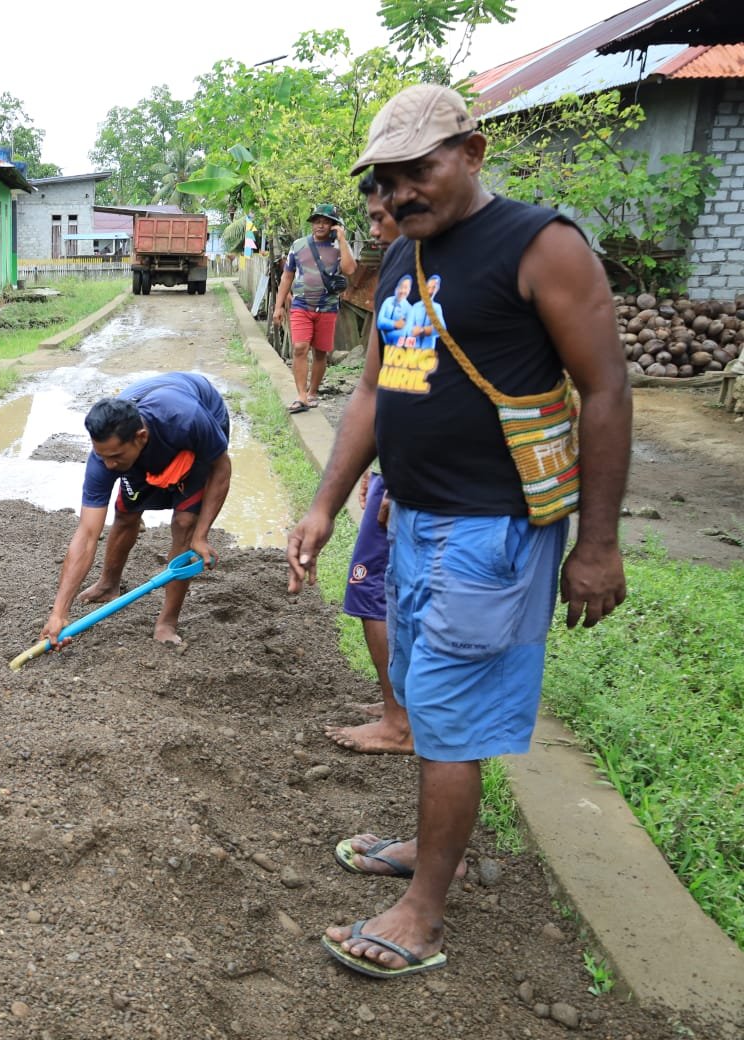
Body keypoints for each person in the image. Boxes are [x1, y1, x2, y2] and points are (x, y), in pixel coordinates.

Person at [287, 84, 631, 978]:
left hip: (491, 533)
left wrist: (597, 544)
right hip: (413, 520)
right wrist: (326, 503)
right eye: (386, 177)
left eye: (419, 170)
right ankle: (431, 848)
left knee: (447, 716)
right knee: (421, 693)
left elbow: (606, 390)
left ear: (472, 154)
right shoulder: (406, 255)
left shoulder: (540, 246)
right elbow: (376, 389)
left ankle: (423, 913)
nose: (399, 192)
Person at [40, 372, 233, 647]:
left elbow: (221, 468)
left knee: (184, 523)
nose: (108, 465)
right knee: (125, 513)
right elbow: (87, 534)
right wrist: (59, 612)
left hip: (199, 419)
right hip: (149, 432)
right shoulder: (105, 458)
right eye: (102, 456)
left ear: (140, 437)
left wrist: (201, 535)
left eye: (115, 457)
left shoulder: (187, 420)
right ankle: (109, 584)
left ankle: (167, 622)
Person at [326, 175, 411, 757]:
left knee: (374, 593)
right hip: (396, 472)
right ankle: (394, 703)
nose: (374, 231)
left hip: (421, 485)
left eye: (381, 218)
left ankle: (398, 718)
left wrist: (398, 479)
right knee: (380, 592)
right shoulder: (402, 269)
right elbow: (379, 389)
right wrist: (373, 469)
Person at [271, 203, 357, 413]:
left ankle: (312, 393)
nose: (320, 225)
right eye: (317, 221)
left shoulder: (339, 247)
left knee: (320, 353)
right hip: (301, 305)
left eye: (325, 222)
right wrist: (278, 306)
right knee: (300, 347)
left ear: (334, 225)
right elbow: (287, 276)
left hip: (327, 308)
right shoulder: (299, 245)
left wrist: (343, 239)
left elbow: (349, 269)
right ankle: (301, 396)